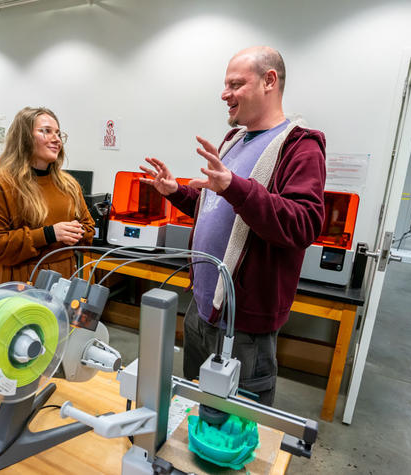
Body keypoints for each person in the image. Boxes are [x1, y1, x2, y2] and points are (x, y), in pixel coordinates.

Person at [140, 46, 326, 406]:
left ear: (269, 81)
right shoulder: (234, 141)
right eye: (225, 85)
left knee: (235, 420)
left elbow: (303, 225)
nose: (224, 94)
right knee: (194, 406)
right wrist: (176, 192)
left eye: (235, 84)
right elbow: (217, 210)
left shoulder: (300, 146)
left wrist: (234, 186)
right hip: (202, 306)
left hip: (244, 323)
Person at [0, 106, 95, 285]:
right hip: (19, 284)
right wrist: (48, 234)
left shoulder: (69, 185)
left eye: (58, 133)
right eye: (46, 131)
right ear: (24, 138)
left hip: (62, 281)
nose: (56, 139)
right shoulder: (0, 186)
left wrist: (75, 233)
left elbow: (89, 229)